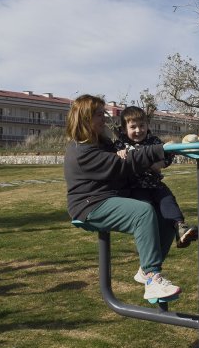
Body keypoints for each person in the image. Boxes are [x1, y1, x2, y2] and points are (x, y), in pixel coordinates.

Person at [64, 94, 180, 300]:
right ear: (85, 119)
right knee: (142, 213)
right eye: (99, 115)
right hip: (91, 204)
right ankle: (153, 279)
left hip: (111, 196)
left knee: (167, 217)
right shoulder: (81, 151)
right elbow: (124, 164)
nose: (104, 119)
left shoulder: (103, 142)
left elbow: (128, 154)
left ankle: (146, 271)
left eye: (103, 113)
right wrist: (161, 149)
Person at [113, 106, 198, 248]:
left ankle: (180, 227)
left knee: (168, 200)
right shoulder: (121, 144)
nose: (138, 130)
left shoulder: (154, 141)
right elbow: (115, 161)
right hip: (135, 186)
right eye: (133, 127)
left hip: (154, 183)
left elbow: (168, 155)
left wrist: (160, 164)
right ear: (124, 129)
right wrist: (119, 153)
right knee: (147, 209)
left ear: (148, 125)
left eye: (142, 125)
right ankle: (149, 241)